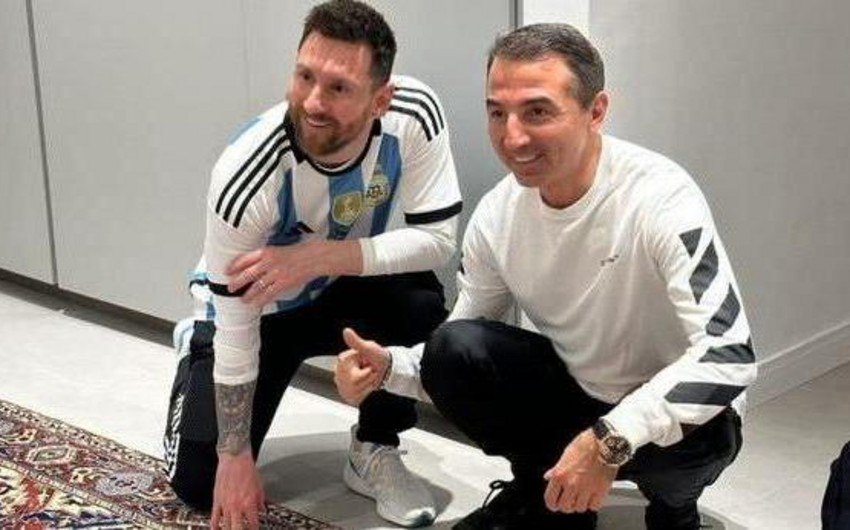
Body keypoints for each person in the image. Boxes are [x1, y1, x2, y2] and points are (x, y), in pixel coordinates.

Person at [335, 22, 757, 530]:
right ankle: (545, 493)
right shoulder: (498, 214)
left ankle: (674, 510)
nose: (512, 137)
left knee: (697, 435)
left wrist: (608, 440)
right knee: (454, 346)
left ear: (595, 111)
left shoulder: (661, 197)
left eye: (537, 112)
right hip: (579, 391)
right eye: (497, 112)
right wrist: (388, 368)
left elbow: (729, 357)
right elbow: (459, 347)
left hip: (681, 422)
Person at [162, 1, 462, 528]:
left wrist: (317, 256)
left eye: (339, 87)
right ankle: (196, 349)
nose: (313, 102)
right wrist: (234, 456)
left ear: (381, 99)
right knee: (200, 485)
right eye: (305, 77)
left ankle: (374, 447)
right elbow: (238, 319)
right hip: (255, 310)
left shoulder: (414, 113)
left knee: (418, 302)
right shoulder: (245, 174)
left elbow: (438, 239)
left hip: (336, 286)